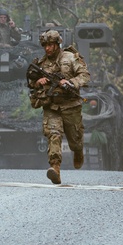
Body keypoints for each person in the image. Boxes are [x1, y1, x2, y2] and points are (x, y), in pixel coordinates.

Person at [27, 29, 90, 184]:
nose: (47, 48)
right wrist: (38, 82)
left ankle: (78, 151)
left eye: (50, 45)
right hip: (52, 106)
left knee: (75, 139)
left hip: (71, 106)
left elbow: (84, 75)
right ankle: (55, 168)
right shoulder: (41, 64)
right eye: (45, 45)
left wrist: (70, 83)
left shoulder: (70, 58)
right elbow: (31, 83)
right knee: (53, 135)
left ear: (57, 44)